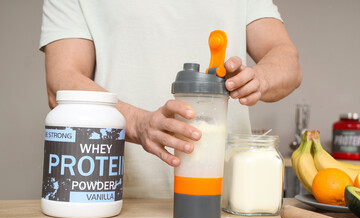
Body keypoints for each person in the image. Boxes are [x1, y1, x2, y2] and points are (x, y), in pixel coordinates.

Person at [40, 0, 302, 198]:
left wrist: (259, 78)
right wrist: (138, 123)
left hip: (230, 203)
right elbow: (62, 81)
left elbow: (286, 59)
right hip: (117, 199)